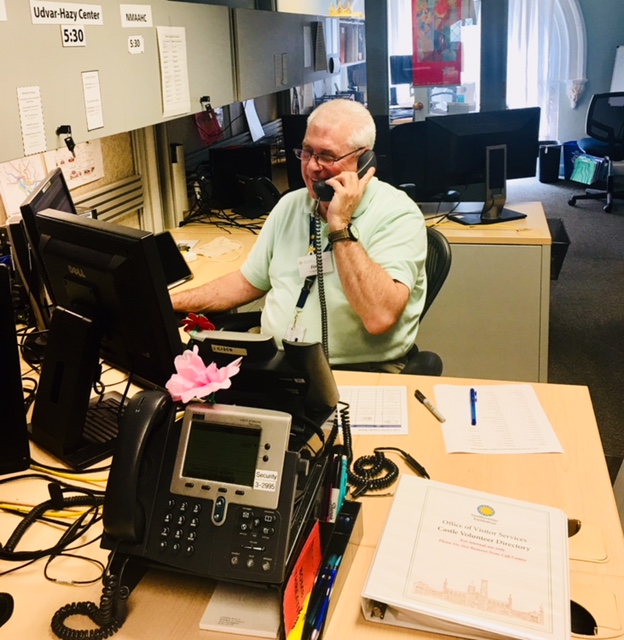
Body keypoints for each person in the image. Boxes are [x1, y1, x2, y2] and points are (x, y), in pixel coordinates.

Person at [172, 99, 427, 373]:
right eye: (307, 152)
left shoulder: (398, 214)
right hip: (279, 364)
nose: (312, 167)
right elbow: (248, 282)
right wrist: (171, 303)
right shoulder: (291, 205)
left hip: (361, 371)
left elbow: (379, 317)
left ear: (364, 160)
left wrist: (339, 224)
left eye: (327, 156)